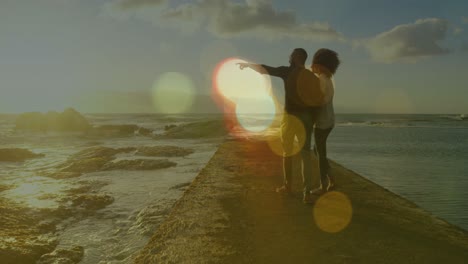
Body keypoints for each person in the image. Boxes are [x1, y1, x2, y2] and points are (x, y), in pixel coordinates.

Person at [238, 48, 319, 204]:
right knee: (305, 155)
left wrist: (248, 65)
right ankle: (306, 193)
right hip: (306, 119)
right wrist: (313, 120)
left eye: (292, 55)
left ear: (295, 57)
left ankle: (288, 186)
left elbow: (266, 69)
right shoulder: (311, 77)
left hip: (290, 118)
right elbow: (317, 101)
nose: (290, 57)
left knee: (287, 153)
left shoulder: (287, 72)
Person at [310, 48, 340, 194]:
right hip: (329, 121)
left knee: (320, 154)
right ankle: (332, 179)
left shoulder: (321, 80)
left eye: (313, 63)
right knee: (317, 151)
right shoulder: (328, 80)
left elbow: (320, 101)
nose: (311, 67)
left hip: (322, 123)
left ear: (320, 65)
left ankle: (323, 186)